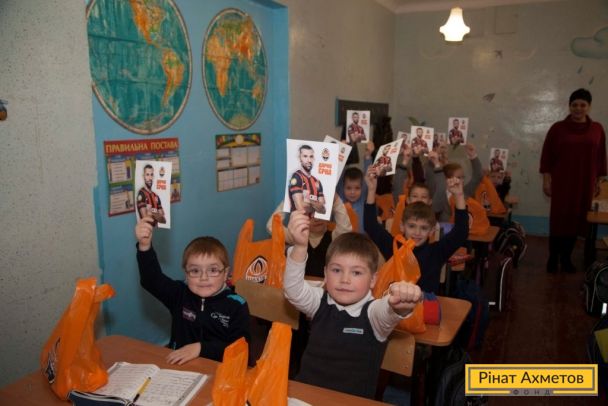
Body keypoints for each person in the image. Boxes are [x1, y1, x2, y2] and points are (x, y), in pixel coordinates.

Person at [284, 209, 422, 399]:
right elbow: (293, 290)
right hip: (305, 396)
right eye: (336, 270)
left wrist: (400, 304)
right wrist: (300, 247)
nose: (345, 279)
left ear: (373, 280)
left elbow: (387, 310)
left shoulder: (372, 313)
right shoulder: (319, 302)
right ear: (325, 274)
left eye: (356, 272)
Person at [134, 216, 251, 364]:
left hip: (220, 370)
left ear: (225, 273)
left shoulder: (237, 305)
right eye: (195, 271)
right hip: (180, 366)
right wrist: (144, 246)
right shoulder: (179, 294)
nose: (203, 277)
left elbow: (241, 350)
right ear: (186, 274)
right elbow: (151, 280)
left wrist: (201, 349)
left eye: (213, 270)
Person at [364, 166, 468, 294]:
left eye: (423, 228)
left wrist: (459, 195)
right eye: (412, 226)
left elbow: (461, 232)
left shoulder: (437, 252)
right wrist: (371, 190)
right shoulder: (393, 247)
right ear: (402, 226)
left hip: (425, 304)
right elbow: (370, 225)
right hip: (395, 302)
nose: (417, 232)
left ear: (431, 231)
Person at [540, 88, 607, 273]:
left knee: (577, 220)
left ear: (589, 106)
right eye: (574, 105)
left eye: (582, 105)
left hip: (585, 183)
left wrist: (598, 182)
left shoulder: (597, 129)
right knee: (559, 220)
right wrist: (546, 180)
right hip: (562, 182)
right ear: (569, 106)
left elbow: (601, 157)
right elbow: (547, 157)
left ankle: (566, 258)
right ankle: (553, 257)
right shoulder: (557, 128)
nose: (578, 108)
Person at [425, 143, 482, 221]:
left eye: (463, 177)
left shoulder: (464, 192)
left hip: (461, 226)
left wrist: (473, 156)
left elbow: (477, 176)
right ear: (446, 179)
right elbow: (432, 177)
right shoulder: (439, 193)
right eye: (458, 177)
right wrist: (436, 162)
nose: (462, 180)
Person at [288, 145, 326, 215]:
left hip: (313, 221)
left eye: (311, 157)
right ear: (300, 158)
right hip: (298, 221)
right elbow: (300, 208)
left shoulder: (317, 182)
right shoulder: (297, 177)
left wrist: (308, 201)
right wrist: (316, 205)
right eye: (305, 156)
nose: (309, 160)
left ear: (313, 158)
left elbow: (323, 210)